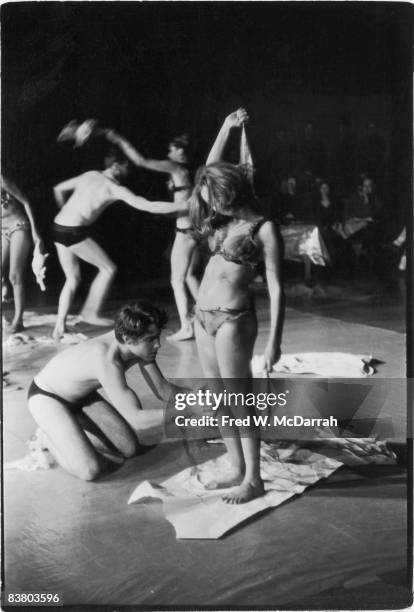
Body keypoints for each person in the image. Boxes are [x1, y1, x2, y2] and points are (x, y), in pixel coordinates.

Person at [189, 109, 284, 504]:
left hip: (233, 319)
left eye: (214, 196)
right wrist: (225, 127)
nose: (209, 202)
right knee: (218, 399)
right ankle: (236, 466)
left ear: (232, 193)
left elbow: (278, 289)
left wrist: (273, 343)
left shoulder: (263, 228)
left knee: (239, 400)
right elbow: (209, 170)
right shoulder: (223, 220)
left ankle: (254, 479)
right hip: (203, 317)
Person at [28, 302, 175, 481]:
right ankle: (45, 437)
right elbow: (136, 419)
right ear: (128, 340)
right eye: (151, 339)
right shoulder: (106, 360)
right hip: (47, 397)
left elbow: (163, 389)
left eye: (157, 336)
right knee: (90, 470)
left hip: (82, 397)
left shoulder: (137, 342)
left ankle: (68, 429)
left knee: (129, 449)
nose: (158, 344)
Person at [52, 147, 169, 340]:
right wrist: (182, 205)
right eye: (125, 167)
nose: (127, 172)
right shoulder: (114, 188)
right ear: (115, 166)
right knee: (108, 269)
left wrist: (66, 210)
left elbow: (58, 189)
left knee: (72, 279)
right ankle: (90, 312)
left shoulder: (90, 175)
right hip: (74, 231)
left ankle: (59, 327)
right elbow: (146, 205)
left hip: (59, 226)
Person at [104, 130, 199, 341]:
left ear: (180, 152)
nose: (169, 153)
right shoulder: (189, 171)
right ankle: (208, 315)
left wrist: (118, 139)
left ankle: (187, 327)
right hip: (195, 230)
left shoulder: (174, 167)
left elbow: (141, 161)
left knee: (177, 279)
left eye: (171, 149)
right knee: (190, 276)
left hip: (185, 232)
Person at [2, 174, 47, 333]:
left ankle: (18, 320)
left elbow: (26, 201)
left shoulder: (1, 179)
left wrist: (35, 232)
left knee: (14, 275)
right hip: (2, 230)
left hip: (18, 226)